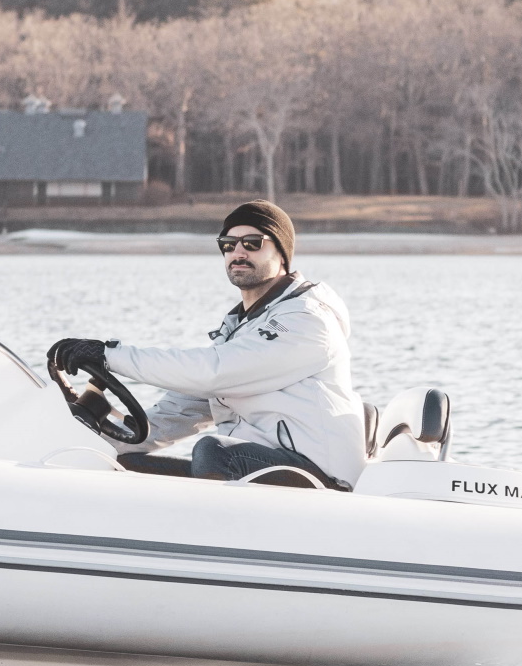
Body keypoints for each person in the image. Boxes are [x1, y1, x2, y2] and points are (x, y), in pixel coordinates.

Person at [49, 200, 367, 488]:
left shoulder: (306, 319)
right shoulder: (242, 329)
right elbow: (179, 412)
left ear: (281, 253)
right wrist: (99, 437)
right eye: (228, 244)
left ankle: (210, 546)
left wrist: (109, 355)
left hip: (319, 480)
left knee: (213, 451)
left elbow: (214, 372)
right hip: (263, 467)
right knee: (121, 465)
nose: (238, 253)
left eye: (252, 243)